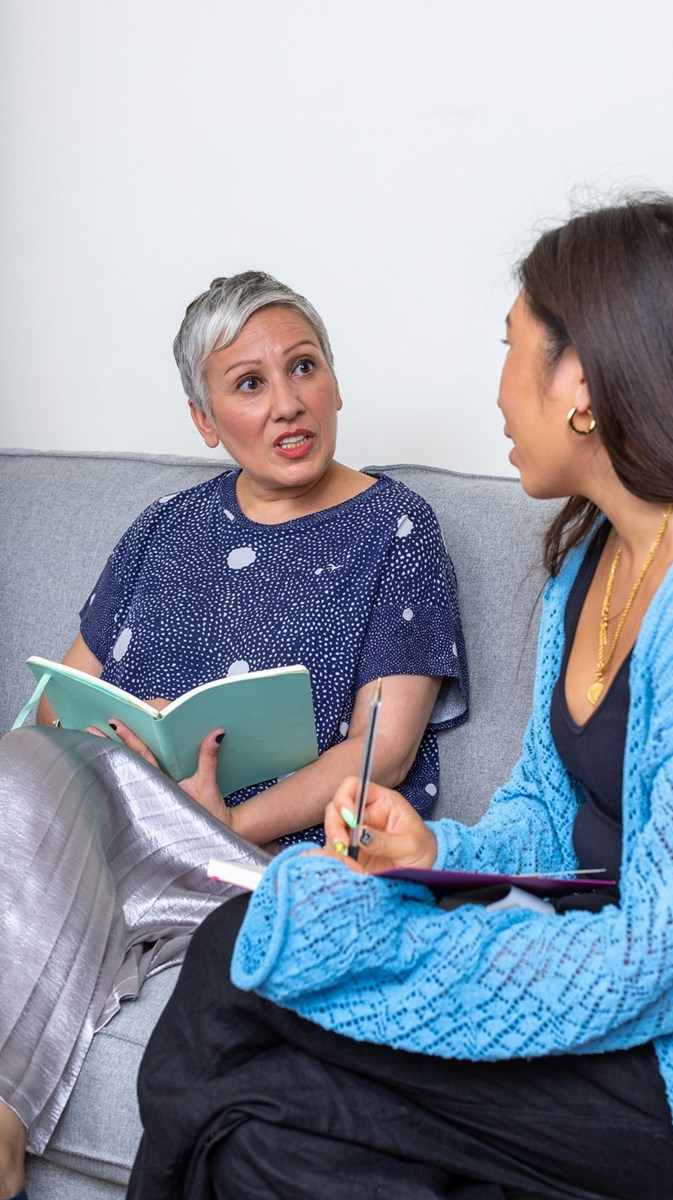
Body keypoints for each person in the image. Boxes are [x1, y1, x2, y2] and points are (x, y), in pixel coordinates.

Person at [129, 197, 673, 1200]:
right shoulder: (592, 564)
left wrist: (425, 957)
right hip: (592, 976)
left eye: (508, 348)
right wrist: (431, 856)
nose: (495, 390)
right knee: (259, 1139)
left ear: (578, 381)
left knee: (241, 950)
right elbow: (542, 811)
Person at [0, 272, 468, 1200]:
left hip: (274, 858)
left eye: (304, 367)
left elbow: (386, 749)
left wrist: (222, 820)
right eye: (249, 383)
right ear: (205, 420)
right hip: (119, 834)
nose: (288, 403)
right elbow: (61, 700)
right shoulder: (164, 528)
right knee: (24, 760)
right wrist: (126, 766)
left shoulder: (400, 528)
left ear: (335, 381)